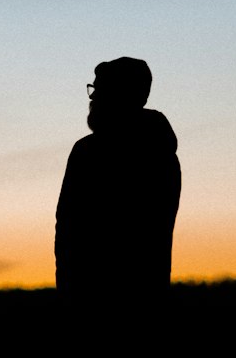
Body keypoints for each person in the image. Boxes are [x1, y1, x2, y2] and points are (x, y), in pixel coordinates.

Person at [55, 56, 181, 311]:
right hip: (147, 298)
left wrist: (69, 296)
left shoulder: (88, 153)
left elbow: (70, 231)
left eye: (99, 90)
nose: (92, 97)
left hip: (95, 300)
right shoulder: (162, 153)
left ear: (120, 95)